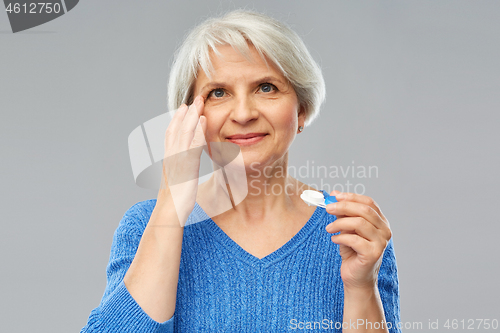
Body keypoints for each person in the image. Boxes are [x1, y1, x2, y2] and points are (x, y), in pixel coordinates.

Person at [81, 9, 401, 333]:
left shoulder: (354, 232)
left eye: (266, 87)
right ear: (190, 117)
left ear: (301, 109)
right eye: (218, 93)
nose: (244, 113)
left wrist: (361, 286)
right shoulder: (144, 227)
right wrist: (170, 208)